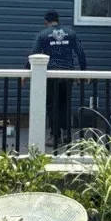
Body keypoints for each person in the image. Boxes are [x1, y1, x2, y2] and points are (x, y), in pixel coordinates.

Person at [30, 10, 86, 145]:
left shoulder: (43, 35)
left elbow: (35, 53)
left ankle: (55, 136)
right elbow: (80, 53)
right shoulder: (71, 33)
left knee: (52, 105)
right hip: (68, 74)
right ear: (58, 20)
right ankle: (67, 135)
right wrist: (83, 72)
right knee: (65, 104)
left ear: (46, 22)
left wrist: (27, 73)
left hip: (51, 74)